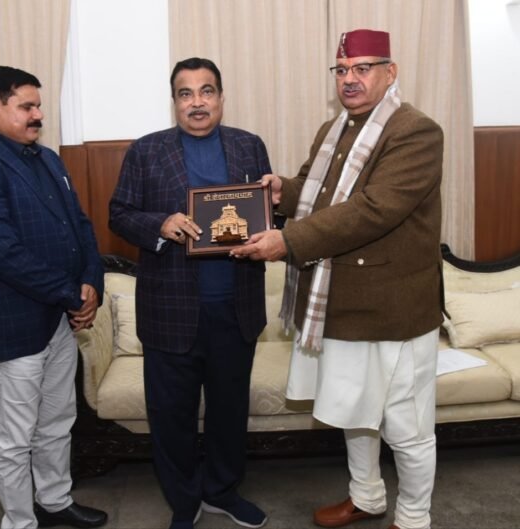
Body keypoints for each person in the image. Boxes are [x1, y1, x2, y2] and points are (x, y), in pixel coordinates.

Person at [231, 30, 444, 529]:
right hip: (341, 305)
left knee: (407, 426)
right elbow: (319, 191)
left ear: (390, 72)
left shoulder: (415, 131)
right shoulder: (335, 129)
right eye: (342, 69)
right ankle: (366, 497)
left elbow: (373, 209)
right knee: (355, 412)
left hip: (395, 310)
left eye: (363, 68)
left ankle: (414, 517)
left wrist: (289, 241)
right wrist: (282, 191)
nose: (350, 79)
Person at [109, 57, 271, 529]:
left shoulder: (249, 146)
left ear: (221, 97)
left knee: (228, 412)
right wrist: (159, 224)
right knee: (171, 417)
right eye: (186, 93)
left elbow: (267, 212)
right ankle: (184, 501)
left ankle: (221, 491)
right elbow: (119, 214)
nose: (197, 102)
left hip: (236, 309)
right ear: (174, 101)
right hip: (170, 311)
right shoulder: (146, 151)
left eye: (206, 91)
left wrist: (272, 216)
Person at [0, 66, 107, 529]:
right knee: (15, 438)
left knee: (58, 421)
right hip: (16, 326)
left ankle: (55, 501)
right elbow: (5, 252)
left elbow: (80, 227)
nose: (38, 114)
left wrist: (91, 283)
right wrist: (71, 294)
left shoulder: (49, 160)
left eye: (38, 105)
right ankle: (20, 522)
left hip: (60, 322)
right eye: (27, 106)